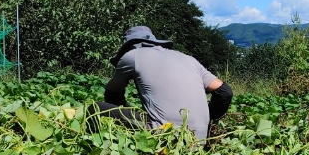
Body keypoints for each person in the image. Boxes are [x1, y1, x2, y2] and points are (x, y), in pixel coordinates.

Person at [92, 25, 233, 139]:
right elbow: (224, 92)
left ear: (129, 46)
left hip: (165, 134)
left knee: (94, 108)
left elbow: (113, 93)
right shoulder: (189, 59)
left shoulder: (132, 56)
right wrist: (207, 120)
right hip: (198, 139)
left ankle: (94, 153)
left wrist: (124, 111)